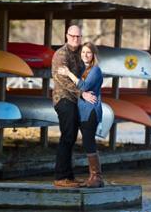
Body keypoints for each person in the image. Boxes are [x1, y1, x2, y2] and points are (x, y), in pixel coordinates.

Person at [51, 25, 96, 187]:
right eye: (73, 36)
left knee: (72, 137)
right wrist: (82, 93)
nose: (75, 39)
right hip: (64, 99)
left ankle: (69, 176)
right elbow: (62, 81)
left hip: (76, 101)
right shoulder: (60, 55)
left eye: (78, 36)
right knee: (67, 136)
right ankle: (60, 177)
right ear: (66, 35)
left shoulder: (80, 53)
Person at [58, 42, 105, 188]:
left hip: (90, 111)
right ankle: (93, 177)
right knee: (86, 143)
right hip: (82, 112)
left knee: (89, 142)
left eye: (88, 53)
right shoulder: (83, 69)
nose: (85, 55)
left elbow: (83, 86)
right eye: (83, 52)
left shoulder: (95, 70)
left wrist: (69, 74)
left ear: (93, 55)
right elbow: (79, 89)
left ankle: (97, 177)